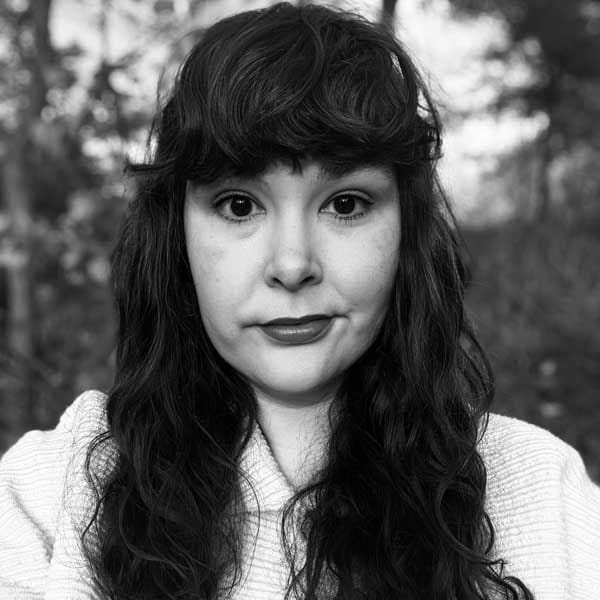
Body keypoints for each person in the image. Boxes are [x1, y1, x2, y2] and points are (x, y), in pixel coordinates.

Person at [1, 2, 599, 598]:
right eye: (239, 205)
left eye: (345, 204)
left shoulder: (543, 496)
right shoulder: (49, 496)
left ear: (406, 231)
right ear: (177, 234)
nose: (292, 265)